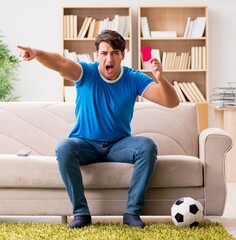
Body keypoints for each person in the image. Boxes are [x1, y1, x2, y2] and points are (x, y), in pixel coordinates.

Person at [18, 29, 179, 229]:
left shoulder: (134, 78)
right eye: (104, 53)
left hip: (118, 146)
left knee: (147, 146)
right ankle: (81, 213)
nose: (108, 58)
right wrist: (36, 53)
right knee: (64, 147)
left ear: (122, 55)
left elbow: (172, 102)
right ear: (97, 56)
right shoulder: (85, 73)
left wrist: (160, 79)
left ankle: (132, 212)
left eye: (114, 53)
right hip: (85, 144)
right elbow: (60, 62)